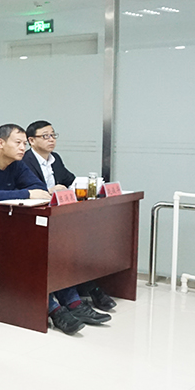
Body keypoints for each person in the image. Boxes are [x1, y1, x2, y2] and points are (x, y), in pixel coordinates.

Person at [0, 124, 109, 335]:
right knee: (19, 253)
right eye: (18, 143)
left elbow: (40, 188)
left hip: (7, 220)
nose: (22, 148)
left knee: (46, 247)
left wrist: (29, 191)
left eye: (24, 144)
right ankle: (53, 309)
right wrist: (27, 194)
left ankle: (73, 303)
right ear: (1, 143)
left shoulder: (16, 164)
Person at [23, 120, 117, 312]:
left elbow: (70, 180)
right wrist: (49, 191)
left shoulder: (55, 159)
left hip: (58, 216)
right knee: (65, 247)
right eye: (45, 136)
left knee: (81, 242)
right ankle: (80, 292)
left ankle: (88, 286)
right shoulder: (24, 161)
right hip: (34, 219)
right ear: (31, 140)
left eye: (53, 135)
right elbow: (26, 189)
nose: (51, 140)